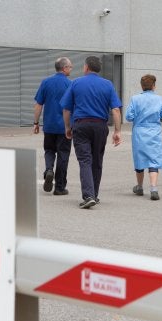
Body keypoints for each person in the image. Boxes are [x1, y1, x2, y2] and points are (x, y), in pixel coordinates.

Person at [61, 56, 122, 209]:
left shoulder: (76, 83)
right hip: (100, 126)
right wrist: (117, 131)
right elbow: (115, 109)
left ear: (86, 67)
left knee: (85, 160)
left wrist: (67, 127)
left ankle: (88, 195)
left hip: (81, 125)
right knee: (97, 160)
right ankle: (94, 194)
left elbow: (67, 109)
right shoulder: (108, 85)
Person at [33, 57, 73, 195]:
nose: (71, 69)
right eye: (70, 67)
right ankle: (60, 187)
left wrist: (36, 123)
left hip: (49, 126)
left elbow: (38, 104)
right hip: (65, 127)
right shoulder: (70, 84)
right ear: (64, 68)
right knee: (63, 154)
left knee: (49, 150)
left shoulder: (46, 82)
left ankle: (49, 169)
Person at [126, 74, 162, 201]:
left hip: (139, 131)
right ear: (154, 86)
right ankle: (154, 188)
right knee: (154, 159)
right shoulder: (159, 99)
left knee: (139, 159)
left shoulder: (135, 99)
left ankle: (139, 187)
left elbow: (129, 117)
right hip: (154, 131)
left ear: (142, 86)